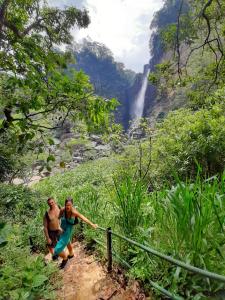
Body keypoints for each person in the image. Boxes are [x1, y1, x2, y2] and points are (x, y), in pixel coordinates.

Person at [53, 197, 98, 269]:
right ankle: (71, 254)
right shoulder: (62, 209)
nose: (68, 206)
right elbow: (58, 218)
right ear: (65, 204)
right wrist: (59, 227)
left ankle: (65, 259)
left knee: (57, 249)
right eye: (67, 205)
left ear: (72, 205)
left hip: (68, 230)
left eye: (70, 205)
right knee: (67, 241)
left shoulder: (74, 212)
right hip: (62, 228)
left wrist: (92, 224)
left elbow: (83, 218)